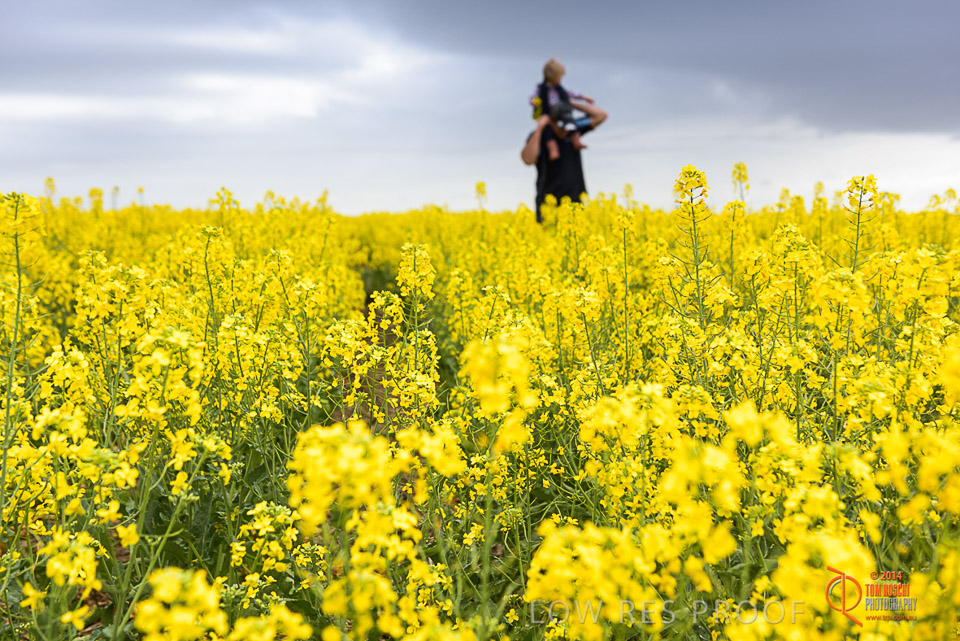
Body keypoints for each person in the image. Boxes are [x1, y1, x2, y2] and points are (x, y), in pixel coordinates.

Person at [521, 98, 607, 223]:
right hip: (548, 205)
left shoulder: (573, 131)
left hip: (575, 204)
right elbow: (527, 159)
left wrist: (568, 101)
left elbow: (601, 115)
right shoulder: (542, 135)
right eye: (561, 127)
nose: (565, 131)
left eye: (567, 127)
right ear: (551, 122)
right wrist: (539, 128)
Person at [530, 58, 594, 161]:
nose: (560, 79)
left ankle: (576, 141)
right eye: (559, 77)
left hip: (562, 116)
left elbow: (571, 94)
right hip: (549, 114)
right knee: (548, 132)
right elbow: (534, 97)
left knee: (570, 123)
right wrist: (533, 102)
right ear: (552, 76)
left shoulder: (560, 89)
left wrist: (584, 97)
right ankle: (553, 150)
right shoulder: (540, 88)